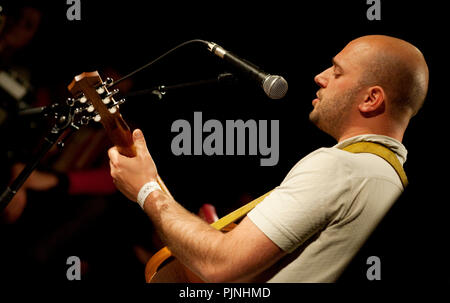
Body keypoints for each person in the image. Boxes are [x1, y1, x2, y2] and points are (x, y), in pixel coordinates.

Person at [108, 35, 429, 282]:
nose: (320, 76)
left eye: (337, 71)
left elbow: (221, 267)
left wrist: (147, 190)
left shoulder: (339, 167)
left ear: (371, 98)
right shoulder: (389, 177)